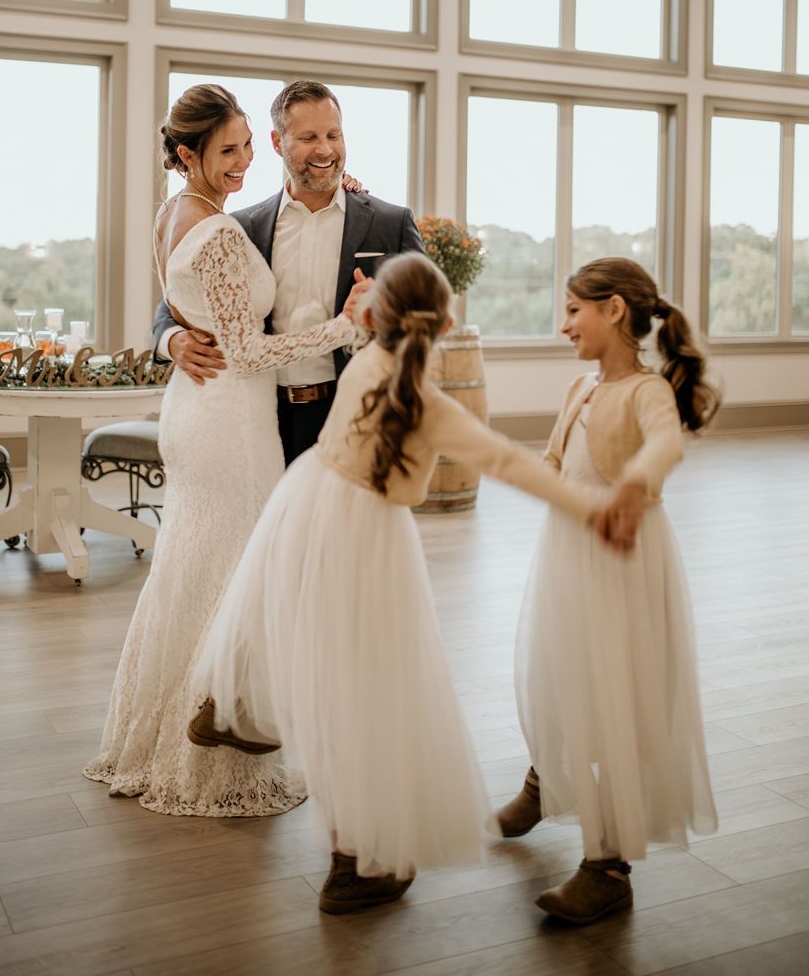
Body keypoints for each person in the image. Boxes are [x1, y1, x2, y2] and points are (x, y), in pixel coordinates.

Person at [185, 253, 631, 914]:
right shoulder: (428, 404)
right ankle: (351, 862)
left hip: (308, 501)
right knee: (366, 694)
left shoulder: (366, 359)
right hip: (366, 535)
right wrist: (589, 507)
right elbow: (508, 462)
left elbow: (374, 319)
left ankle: (239, 707)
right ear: (448, 321)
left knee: (299, 632)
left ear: (373, 317)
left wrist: (368, 303)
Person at [84, 84, 367, 816]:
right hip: (233, 420)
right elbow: (237, 344)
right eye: (229, 150)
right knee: (230, 573)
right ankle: (213, 751)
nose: (242, 162)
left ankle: (156, 737)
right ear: (188, 156)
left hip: (215, 414)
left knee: (193, 567)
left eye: (244, 146)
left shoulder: (182, 212)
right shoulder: (224, 226)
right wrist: (340, 326)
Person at [497, 257, 720, 925]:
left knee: (614, 694)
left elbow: (665, 446)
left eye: (573, 311)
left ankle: (608, 866)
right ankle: (546, 777)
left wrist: (630, 484)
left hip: (623, 559)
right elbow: (552, 464)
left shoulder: (646, 390)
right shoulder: (581, 388)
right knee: (558, 670)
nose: (564, 326)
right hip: (568, 554)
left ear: (614, 311)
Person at [152, 79, 424, 463]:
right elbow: (180, 296)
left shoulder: (388, 223)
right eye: (309, 137)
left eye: (334, 134)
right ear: (278, 143)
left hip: (356, 413)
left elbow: (423, 317)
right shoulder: (241, 226)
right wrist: (171, 339)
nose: (325, 149)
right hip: (265, 417)